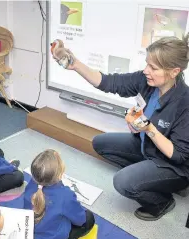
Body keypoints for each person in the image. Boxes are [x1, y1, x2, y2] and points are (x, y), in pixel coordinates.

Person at [55, 35, 189, 221]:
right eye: (146, 64)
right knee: (100, 142)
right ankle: (147, 176)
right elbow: (108, 82)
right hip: (147, 146)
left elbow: (179, 155)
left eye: (153, 68)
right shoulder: (146, 81)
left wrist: (148, 128)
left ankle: (161, 201)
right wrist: (75, 64)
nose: (146, 70)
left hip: (172, 165)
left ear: (174, 72)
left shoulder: (185, 102)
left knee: (122, 182)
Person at [24, 149, 95, 239]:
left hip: (30, 233)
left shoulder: (31, 184)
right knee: (89, 217)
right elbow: (80, 220)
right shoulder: (65, 195)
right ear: (60, 175)